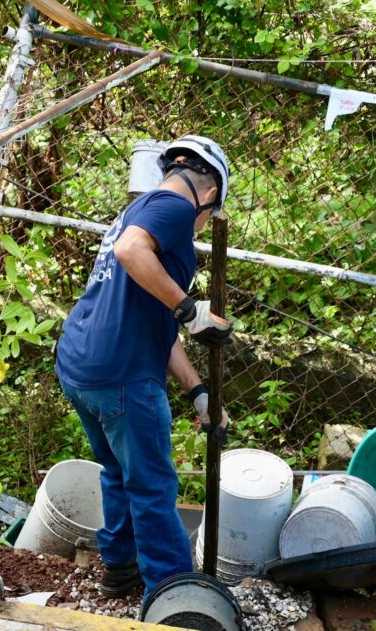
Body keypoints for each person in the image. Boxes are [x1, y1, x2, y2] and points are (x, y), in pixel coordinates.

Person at [53, 135, 234, 599]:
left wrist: (197, 390)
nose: (200, 226)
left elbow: (157, 318)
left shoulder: (136, 212)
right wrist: (190, 309)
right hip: (122, 373)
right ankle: (175, 597)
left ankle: (120, 567)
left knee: (118, 470)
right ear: (209, 195)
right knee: (153, 485)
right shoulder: (173, 209)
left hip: (81, 363)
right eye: (208, 219)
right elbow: (132, 255)